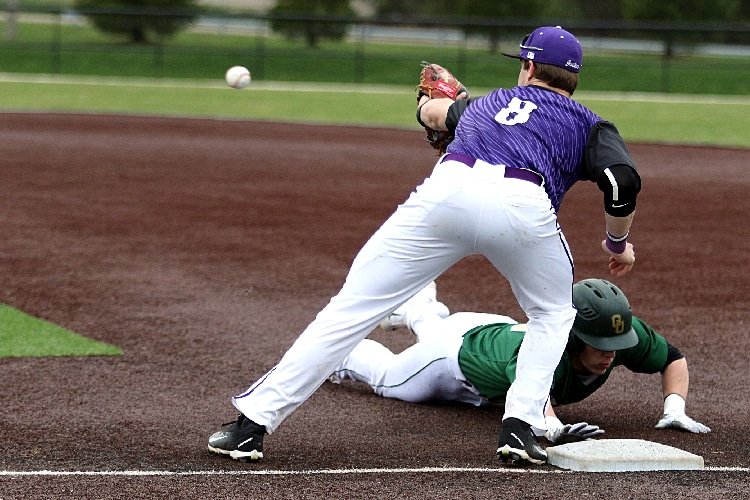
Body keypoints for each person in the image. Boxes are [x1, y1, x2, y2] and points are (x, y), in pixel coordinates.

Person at [208, 25, 641, 465]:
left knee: (352, 308)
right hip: (522, 206)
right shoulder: (589, 124)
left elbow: (434, 113)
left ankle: (250, 426)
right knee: (552, 314)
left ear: (528, 67)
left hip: (446, 193)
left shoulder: (484, 104)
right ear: (573, 79)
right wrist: (616, 241)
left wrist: (424, 106)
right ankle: (519, 428)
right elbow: (621, 180)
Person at [328, 279, 710, 457]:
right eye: (600, 345)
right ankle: (336, 351)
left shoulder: (619, 330)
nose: (612, 353)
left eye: (617, 343)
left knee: (438, 332)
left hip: (486, 329)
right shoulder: (542, 351)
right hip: (452, 357)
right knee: (388, 379)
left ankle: (419, 308)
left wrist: (674, 409)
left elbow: (672, 357)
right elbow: (534, 404)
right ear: (574, 337)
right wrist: (555, 429)